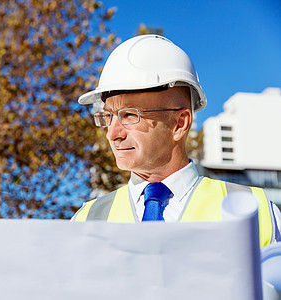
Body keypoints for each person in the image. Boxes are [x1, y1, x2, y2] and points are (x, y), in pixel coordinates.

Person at [71, 34, 281, 248]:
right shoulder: (86, 220)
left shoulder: (255, 212)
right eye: (108, 116)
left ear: (179, 123)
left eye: (129, 115)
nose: (112, 133)